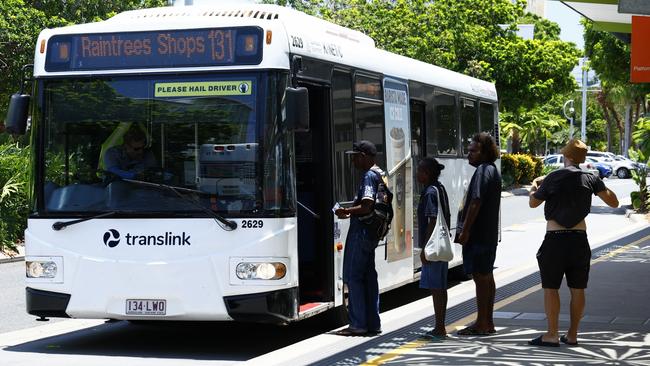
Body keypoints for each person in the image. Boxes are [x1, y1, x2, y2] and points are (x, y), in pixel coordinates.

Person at [527, 139, 618, 347]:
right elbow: (614, 202)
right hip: (579, 239)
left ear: (566, 156)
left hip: (555, 239)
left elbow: (533, 203)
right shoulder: (591, 178)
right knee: (578, 288)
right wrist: (598, 182)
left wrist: (534, 186)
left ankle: (551, 334)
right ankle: (573, 334)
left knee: (551, 287)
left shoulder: (552, 177)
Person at [334, 140, 384, 336]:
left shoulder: (368, 176)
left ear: (363, 156)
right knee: (369, 277)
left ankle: (358, 324)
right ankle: (373, 323)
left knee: (353, 277)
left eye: (354, 156)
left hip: (361, 231)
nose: (353, 160)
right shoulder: (380, 174)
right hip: (371, 233)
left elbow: (366, 206)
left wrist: (346, 211)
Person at [455, 132, 502, 336]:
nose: (469, 155)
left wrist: (465, 230)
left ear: (484, 152)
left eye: (473, 151)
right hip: (488, 235)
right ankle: (486, 321)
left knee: (481, 278)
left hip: (479, 236)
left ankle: (483, 323)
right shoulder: (491, 170)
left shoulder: (483, 170)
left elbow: (476, 201)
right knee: (486, 277)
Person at [417, 157, 451, 339]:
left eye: (419, 170)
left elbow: (432, 219)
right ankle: (440, 325)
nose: (416, 174)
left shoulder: (430, 192)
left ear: (427, 173)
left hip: (433, 248)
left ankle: (439, 328)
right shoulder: (440, 188)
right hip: (440, 246)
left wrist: (425, 248)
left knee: (436, 289)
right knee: (440, 287)